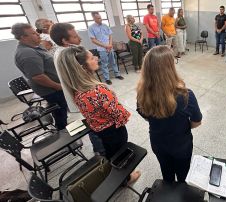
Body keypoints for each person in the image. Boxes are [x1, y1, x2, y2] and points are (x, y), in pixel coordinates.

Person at [56, 46, 140, 184]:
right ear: (83, 67)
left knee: (110, 151)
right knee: (120, 152)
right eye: (91, 58)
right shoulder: (98, 90)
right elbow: (118, 113)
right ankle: (125, 178)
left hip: (98, 128)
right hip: (114, 129)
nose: (96, 58)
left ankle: (113, 173)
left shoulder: (77, 90)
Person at [136, 46, 202, 182]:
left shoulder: (142, 94)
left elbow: (144, 114)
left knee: (166, 173)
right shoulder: (186, 95)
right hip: (181, 145)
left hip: (158, 144)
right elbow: (196, 122)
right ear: (170, 67)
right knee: (183, 176)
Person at [50, 23, 105, 155]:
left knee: (92, 121)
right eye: (75, 36)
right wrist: (90, 62)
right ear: (64, 40)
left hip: (82, 95)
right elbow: (81, 72)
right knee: (95, 123)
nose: (79, 38)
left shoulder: (64, 52)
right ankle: (101, 151)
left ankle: (100, 148)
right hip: (84, 94)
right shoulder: (67, 55)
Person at [12, 23, 68, 130]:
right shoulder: (27, 53)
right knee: (60, 113)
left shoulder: (34, 48)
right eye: (33, 33)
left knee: (61, 111)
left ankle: (63, 129)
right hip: (52, 90)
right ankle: (63, 134)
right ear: (24, 37)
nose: (38, 34)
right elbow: (38, 77)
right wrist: (58, 86)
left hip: (54, 89)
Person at [88, 11, 124, 85]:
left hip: (110, 47)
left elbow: (110, 35)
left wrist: (110, 45)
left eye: (100, 18)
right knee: (104, 64)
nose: (100, 19)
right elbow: (93, 40)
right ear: (94, 18)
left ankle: (117, 74)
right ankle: (107, 78)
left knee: (113, 62)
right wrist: (105, 46)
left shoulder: (105, 25)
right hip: (102, 49)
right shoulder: (91, 28)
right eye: (98, 18)